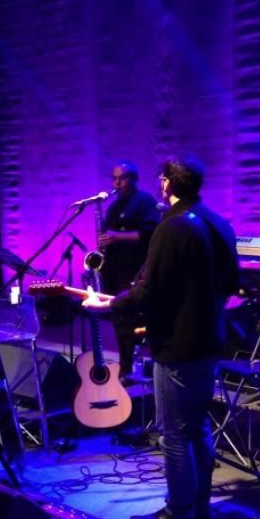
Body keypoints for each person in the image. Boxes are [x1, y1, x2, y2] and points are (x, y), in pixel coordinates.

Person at [83, 156, 239, 519]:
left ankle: (179, 511)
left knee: (173, 433)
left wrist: (107, 305)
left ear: (167, 183)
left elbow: (149, 291)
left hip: (177, 344)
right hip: (208, 339)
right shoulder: (218, 222)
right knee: (197, 426)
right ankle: (199, 507)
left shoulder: (172, 227)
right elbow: (232, 281)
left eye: (162, 178)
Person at [97, 161, 160, 378]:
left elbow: (149, 234)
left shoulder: (145, 202)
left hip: (136, 271)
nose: (116, 183)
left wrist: (116, 236)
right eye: (114, 178)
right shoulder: (114, 207)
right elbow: (107, 235)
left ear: (133, 180)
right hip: (115, 270)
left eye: (121, 178)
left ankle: (149, 369)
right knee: (120, 321)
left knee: (138, 320)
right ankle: (125, 368)